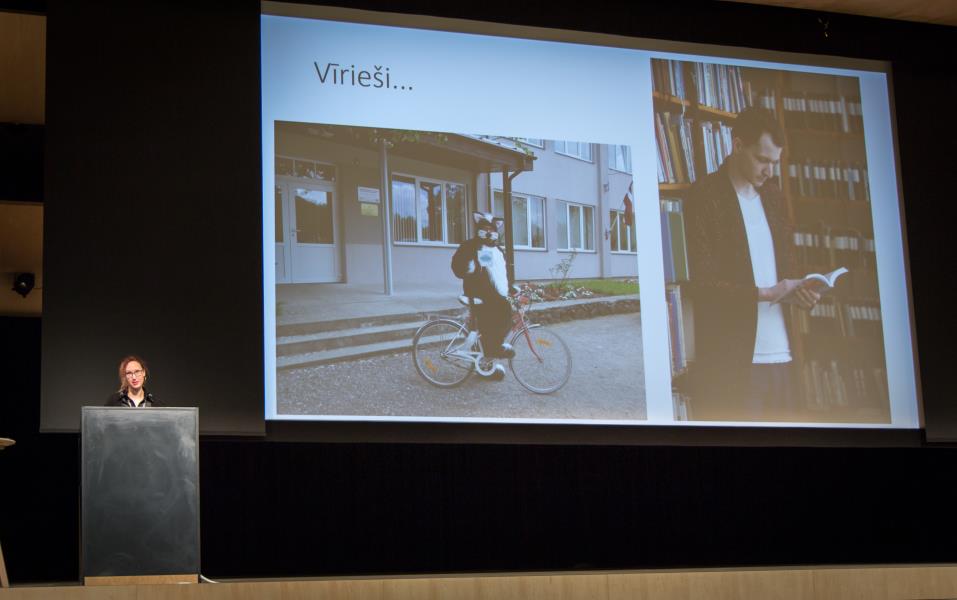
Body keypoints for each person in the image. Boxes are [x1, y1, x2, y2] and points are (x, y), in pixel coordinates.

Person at [683, 107, 819, 421]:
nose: (769, 171)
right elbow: (702, 285)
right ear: (737, 145)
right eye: (762, 160)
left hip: (784, 358)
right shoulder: (705, 196)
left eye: (775, 162)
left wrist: (802, 292)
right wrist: (767, 294)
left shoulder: (774, 197)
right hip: (734, 363)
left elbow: (787, 269)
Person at [451, 212, 514, 380]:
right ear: (478, 229)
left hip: (491, 292)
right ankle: (494, 349)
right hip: (477, 291)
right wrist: (470, 266)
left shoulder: (496, 249)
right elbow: (459, 268)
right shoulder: (471, 246)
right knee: (500, 312)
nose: (488, 232)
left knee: (500, 318)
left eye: (491, 229)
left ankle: (486, 364)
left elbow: (498, 274)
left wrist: (510, 288)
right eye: (484, 228)